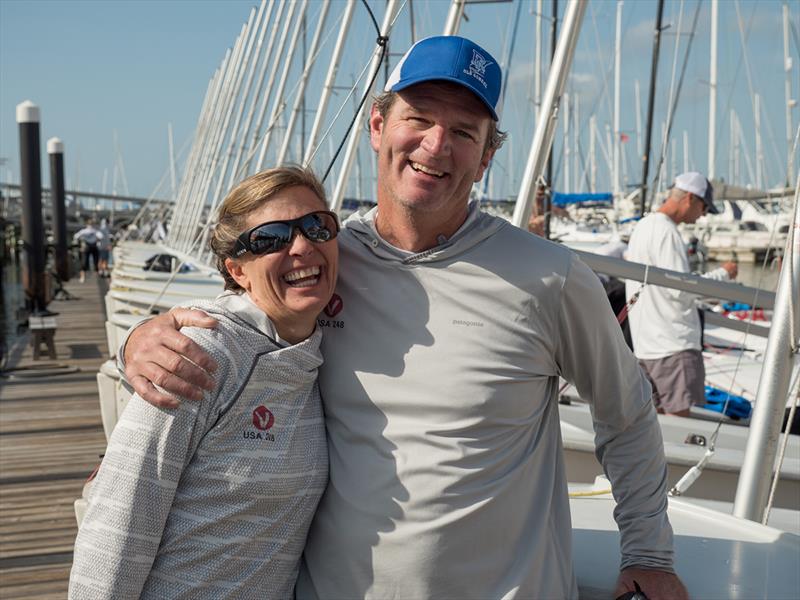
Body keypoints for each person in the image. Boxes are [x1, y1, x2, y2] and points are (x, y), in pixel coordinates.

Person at [121, 36, 687, 599]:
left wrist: (647, 554)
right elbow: (233, 322)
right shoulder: (325, 260)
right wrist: (137, 342)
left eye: (465, 132)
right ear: (376, 127)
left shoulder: (550, 278)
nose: (437, 145)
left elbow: (627, 412)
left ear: (487, 156)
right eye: (418, 118)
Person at [69, 166, 338, 598]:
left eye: (317, 226)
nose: (303, 246)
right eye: (271, 239)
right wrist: (134, 344)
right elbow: (117, 522)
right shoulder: (202, 353)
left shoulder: (316, 352)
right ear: (238, 271)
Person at [625, 172, 737, 417]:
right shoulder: (668, 233)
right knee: (681, 427)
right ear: (690, 198)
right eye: (705, 207)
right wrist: (723, 275)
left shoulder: (643, 226)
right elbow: (682, 289)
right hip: (673, 346)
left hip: (646, 345)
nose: (704, 215)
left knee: (654, 426)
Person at [73, 218, 103, 283]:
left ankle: (82, 277)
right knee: (96, 261)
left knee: (84, 262)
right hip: (94, 247)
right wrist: (96, 239)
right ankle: (97, 278)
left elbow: (76, 236)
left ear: (86, 224)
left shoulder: (83, 231)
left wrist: (82, 238)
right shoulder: (95, 231)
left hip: (86, 247)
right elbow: (101, 236)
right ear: (93, 224)